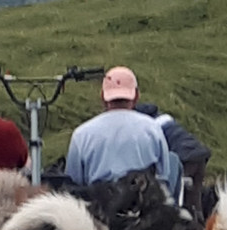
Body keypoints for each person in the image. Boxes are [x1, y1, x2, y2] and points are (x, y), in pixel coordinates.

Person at [65, 66, 179, 200]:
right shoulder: (152, 128)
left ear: (103, 97)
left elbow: (73, 182)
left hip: (99, 208)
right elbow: (164, 174)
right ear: (136, 96)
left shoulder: (81, 135)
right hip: (144, 208)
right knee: (174, 161)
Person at [135, 101, 212, 218]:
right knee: (195, 201)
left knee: (173, 199)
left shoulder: (147, 125)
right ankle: (200, 226)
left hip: (185, 158)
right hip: (199, 156)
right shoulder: (165, 118)